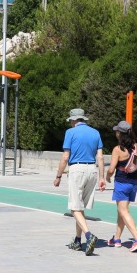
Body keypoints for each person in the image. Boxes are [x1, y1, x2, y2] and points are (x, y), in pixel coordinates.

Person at [54, 108, 105, 256]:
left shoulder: (70, 133)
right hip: (92, 170)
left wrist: (58, 176)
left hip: (77, 169)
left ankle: (89, 236)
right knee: (80, 207)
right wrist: (101, 177)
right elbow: (100, 157)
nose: (70, 123)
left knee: (74, 208)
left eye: (70, 121)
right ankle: (77, 240)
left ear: (74, 120)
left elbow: (65, 157)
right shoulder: (95, 132)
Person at [105, 121, 137, 252]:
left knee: (124, 211)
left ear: (119, 133)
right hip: (133, 183)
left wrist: (107, 177)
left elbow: (111, 168)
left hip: (121, 183)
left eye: (116, 131)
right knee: (121, 210)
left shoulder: (117, 149)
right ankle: (117, 239)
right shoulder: (136, 147)